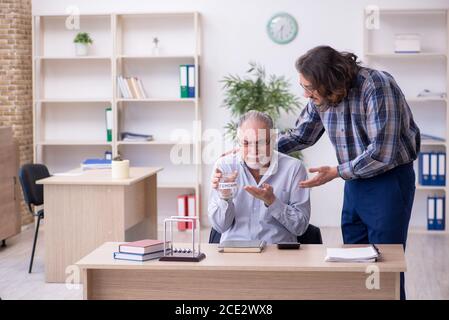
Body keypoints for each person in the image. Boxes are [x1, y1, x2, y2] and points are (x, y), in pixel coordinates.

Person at [277, 45, 420, 300]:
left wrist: (336, 172)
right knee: (354, 260)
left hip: (389, 181)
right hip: (354, 182)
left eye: (309, 88)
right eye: (303, 87)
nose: (305, 95)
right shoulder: (320, 96)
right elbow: (300, 135)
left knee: (384, 266)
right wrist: (252, 148)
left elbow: (382, 154)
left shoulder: (375, 85)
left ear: (330, 80)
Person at [208, 111, 310, 244]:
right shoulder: (224, 166)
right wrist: (225, 197)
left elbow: (300, 227)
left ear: (273, 139)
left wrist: (272, 201)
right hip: (234, 253)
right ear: (238, 142)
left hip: (278, 254)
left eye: (261, 142)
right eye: (246, 143)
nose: (253, 150)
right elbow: (220, 227)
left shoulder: (294, 168)